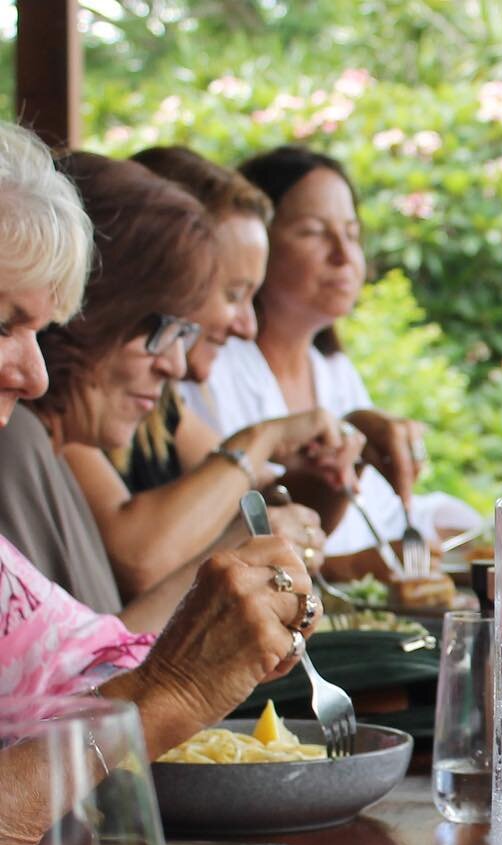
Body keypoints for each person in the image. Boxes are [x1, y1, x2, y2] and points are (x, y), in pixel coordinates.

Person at [0, 125, 316, 767]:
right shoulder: (20, 443)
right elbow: (67, 721)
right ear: (100, 310)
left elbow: (86, 672)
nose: (183, 364)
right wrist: (180, 680)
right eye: (168, 327)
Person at [56, 145, 343, 600]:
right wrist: (260, 438)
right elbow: (142, 560)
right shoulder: (69, 399)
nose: (248, 326)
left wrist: (341, 464)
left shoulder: (160, 405)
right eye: (233, 293)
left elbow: (269, 504)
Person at [185, 145, 479, 558]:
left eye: (352, 233)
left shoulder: (334, 371)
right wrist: (356, 565)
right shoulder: (207, 370)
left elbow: (385, 516)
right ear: (255, 242)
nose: (344, 256)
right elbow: (240, 531)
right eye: (313, 232)